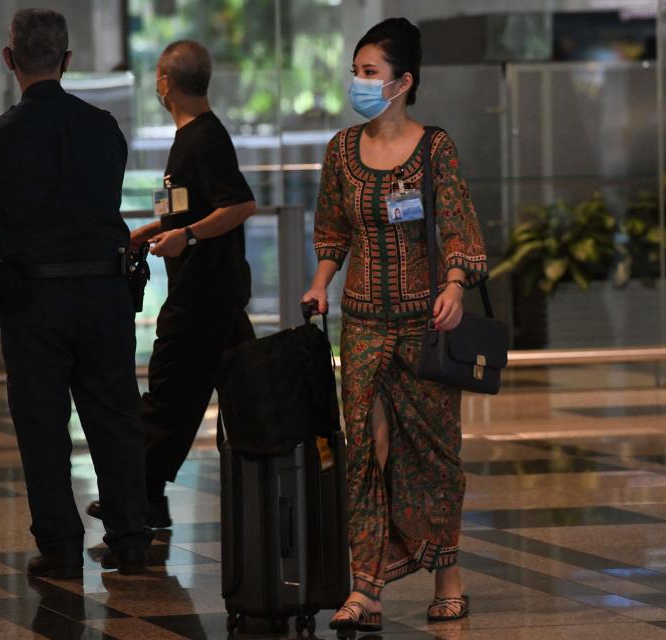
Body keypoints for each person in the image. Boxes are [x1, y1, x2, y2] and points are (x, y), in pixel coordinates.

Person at [301, 17, 487, 632]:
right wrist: (321, 281)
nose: (358, 81)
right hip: (361, 324)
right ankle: (367, 589)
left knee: (433, 455)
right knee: (364, 451)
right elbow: (332, 229)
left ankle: (448, 577)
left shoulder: (435, 149)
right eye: (355, 70)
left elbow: (460, 227)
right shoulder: (339, 152)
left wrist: (455, 285)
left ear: (402, 82)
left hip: (423, 323)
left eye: (370, 72)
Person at [0, 8, 150, 577]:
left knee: (43, 424)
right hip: (105, 292)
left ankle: (61, 547)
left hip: (34, 299)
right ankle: (130, 539)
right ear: (68, 61)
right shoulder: (103, 128)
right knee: (115, 415)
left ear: (8, 60)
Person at [86, 40, 257, 528]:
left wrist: (187, 235)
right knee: (183, 400)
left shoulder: (204, 138)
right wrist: (152, 230)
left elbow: (240, 205)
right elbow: (188, 207)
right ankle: (146, 493)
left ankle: (136, 495)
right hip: (207, 293)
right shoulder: (191, 137)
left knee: (167, 396)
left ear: (165, 83)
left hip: (203, 295)